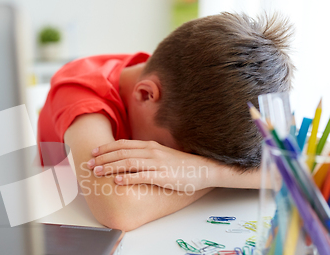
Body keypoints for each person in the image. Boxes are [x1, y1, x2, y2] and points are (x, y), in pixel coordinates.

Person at [37, 12, 294, 231]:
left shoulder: (183, 81)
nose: (176, 165)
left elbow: (299, 163)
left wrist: (206, 171)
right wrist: (213, 175)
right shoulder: (80, 92)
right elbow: (119, 209)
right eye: (172, 151)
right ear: (145, 94)